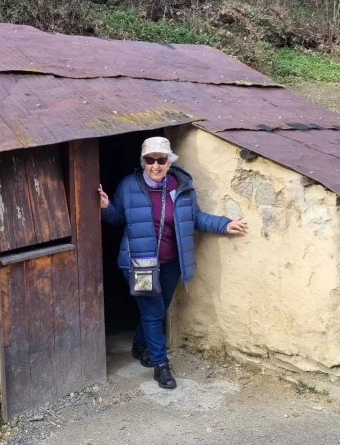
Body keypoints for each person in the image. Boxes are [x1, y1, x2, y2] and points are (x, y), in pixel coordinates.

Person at [98, 136, 247, 389]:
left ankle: (140, 345)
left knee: (158, 309)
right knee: (153, 313)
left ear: (169, 161)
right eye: (150, 160)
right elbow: (115, 220)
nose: (155, 166)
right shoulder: (128, 185)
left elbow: (195, 218)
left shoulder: (182, 187)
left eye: (161, 160)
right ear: (143, 162)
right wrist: (105, 207)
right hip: (139, 264)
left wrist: (224, 223)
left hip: (170, 263)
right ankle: (161, 365)